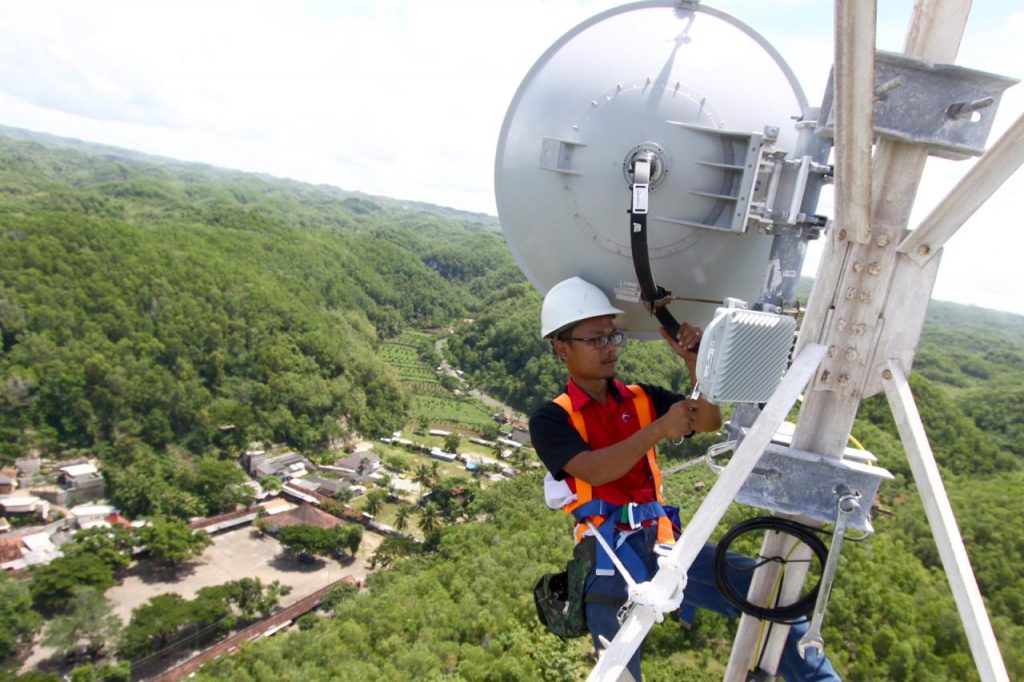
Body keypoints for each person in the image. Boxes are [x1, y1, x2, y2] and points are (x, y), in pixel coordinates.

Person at [529, 276, 839, 681]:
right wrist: (658, 430)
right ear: (561, 347)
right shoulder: (552, 418)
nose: (609, 347)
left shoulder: (642, 397)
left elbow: (708, 420)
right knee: (619, 673)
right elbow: (595, 469)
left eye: (612, 336)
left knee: (773, 597)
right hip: (608, 556)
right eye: (595, 339)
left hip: (662, 543)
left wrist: (698, 365)